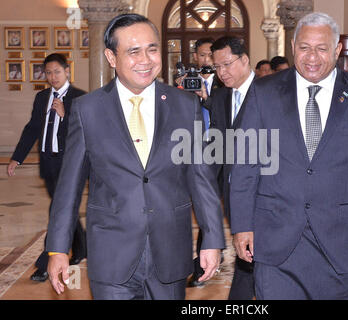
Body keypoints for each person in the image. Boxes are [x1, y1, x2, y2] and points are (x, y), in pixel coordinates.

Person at [46, 13, 225, 300]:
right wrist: (57, 249)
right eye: (133, 51)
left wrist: (213, 239)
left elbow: (200, 177)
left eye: (152, 49)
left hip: (170, 252)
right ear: (111, 57)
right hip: (111, 255)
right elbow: (68, 187)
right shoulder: (88, 109)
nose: (146, 59)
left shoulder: (184, 106)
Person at [229, 12, 348, 300]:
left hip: (338, 242)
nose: (312, 57)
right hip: (275, 240)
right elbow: (246, 164)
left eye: (322, 49)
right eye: (305, 47)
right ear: (293, 46)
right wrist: (242, 224)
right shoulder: (263, 91)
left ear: (336, 50)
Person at [7, 53, 87, 282]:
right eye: (49, 73)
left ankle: (45, 262)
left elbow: (87, 131)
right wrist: (17, 158)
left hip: (70, 165)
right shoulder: (42, 97)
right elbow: (32, 128)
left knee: (58, 212)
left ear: (67, 71)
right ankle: (82, 248)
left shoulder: (80, 98)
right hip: (49, 164)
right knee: (66, 209)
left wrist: (65, 115)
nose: (53, 77)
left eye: (57, 72)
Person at [206, 36, 256, 300]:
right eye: (217, 67)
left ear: (244, 60)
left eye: (227, 65)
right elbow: (215, 149)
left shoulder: (270, 91)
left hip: (265, 193)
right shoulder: (221, 97)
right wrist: (207, 190)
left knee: (251, 258)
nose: (221, 73)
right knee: (247, 257)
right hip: (232, 193)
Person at [183, 37, 224, 288]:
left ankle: (217, 249)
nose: (206, 60)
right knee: (203, 206)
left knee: (218, 206)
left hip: (222, 151)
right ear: (195, 57)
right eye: (202, 55)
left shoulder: (225, 84)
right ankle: (201, 261)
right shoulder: (186, 83)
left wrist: (206, 96)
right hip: (194, 153)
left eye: (210, 55)